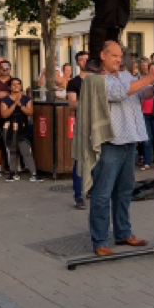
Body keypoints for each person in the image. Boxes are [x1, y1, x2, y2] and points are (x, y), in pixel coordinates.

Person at [89, 40, 154, 256]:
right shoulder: (97, 78)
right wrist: (149, 78)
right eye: (114, 56)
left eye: (120, 56)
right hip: (110, 143)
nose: (119, 60)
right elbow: (118, 93)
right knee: (102, 194)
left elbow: (139, 93)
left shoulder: (126, 76)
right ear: (103, 55)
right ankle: (100, 240)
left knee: (124, 191)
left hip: (130, 140)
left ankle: (123, 232)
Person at [0, 78, 42, 182]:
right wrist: (14, 105)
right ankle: (13, 173)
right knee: (12, 151)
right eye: (13, 84)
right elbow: (4, 114)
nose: (16, 86)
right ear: (9, 87)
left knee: (26, 150)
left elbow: (30, 112)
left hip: (23, 127)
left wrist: (20, 105)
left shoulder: (26, 99)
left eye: (18, 84)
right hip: (10, 128)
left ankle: (34, 173)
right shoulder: (5, 100)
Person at [66, 51, 89, 208]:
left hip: (98, 124)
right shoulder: (74, 82)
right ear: (77, 63)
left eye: (86, 59)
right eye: (80, 59)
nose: (84, 61)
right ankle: (79, 195)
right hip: (82, 125)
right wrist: (90, 103)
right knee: (80, 160)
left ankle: (94, 190)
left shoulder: (98, 80)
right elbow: (72, 104)